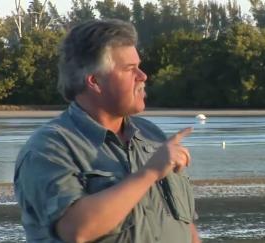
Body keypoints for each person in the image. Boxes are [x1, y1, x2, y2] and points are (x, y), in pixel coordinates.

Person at [14, 19, 201, 243]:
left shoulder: (153, 137)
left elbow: (186, 228)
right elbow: (76, 230)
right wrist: (149, 172)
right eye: (130, 69)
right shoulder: (48, 149)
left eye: (138, 67)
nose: (143, 76)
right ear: (95, 81)